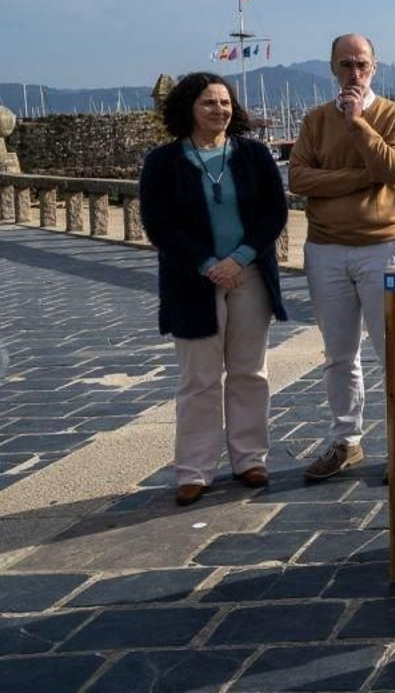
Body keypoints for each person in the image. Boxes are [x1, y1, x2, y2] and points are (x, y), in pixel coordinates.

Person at [139, 72, 288, 506]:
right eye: (209, 103)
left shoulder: (254, 155)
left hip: (249, 275)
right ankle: (194, 469)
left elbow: (273, 212)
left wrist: (239, 258)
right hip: (192, 281)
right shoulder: (163, 162)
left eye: (225, 102)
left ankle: (249, 458)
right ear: (188, 107)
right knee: (199, 379)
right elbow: (158, 224)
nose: (219, 110)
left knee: (249, 372)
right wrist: (208, 264)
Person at [289, 34, 395, 481]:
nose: (354, 73)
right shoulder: (315, 120)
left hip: (384, 248)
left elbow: (393, 169)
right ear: (332, 68)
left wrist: (359, 122)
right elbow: (299, 178)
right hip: (325, 250)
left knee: (394, 353)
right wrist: (361, 178)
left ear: (375, 67)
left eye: (361, 64)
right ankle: (346, 440)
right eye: (345, 65)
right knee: (339, 355)